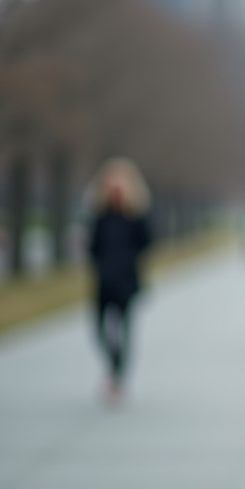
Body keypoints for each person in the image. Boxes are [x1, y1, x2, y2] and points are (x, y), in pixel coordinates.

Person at [86, 157, 153, 405]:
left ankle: (117, 378)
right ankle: (113, 364)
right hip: (104, 279)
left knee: (124, 329)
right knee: (99, 330)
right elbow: (93, 247)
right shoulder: (100, 215)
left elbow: (146, 242)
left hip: (126, 279)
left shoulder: (135, 216)